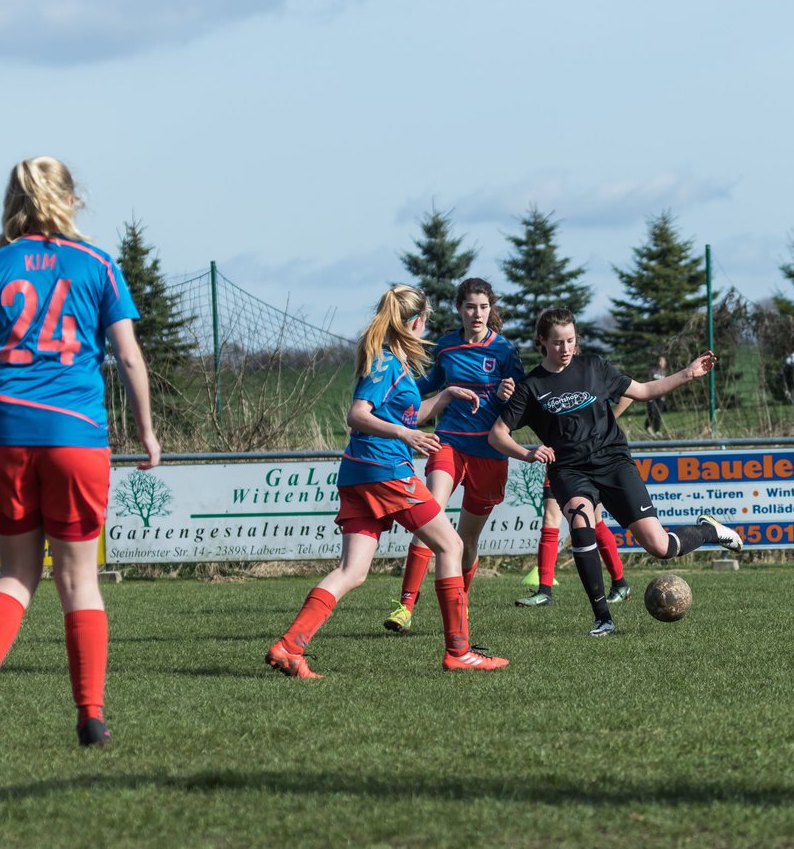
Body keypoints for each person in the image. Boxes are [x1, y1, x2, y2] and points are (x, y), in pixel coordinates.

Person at [0, 156, 161, 747]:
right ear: (71, 199)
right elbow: (130, 357)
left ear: (13, 201)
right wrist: (146, 430)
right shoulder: (97, 265)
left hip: (4, 435)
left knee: (15, 573)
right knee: (79, 581)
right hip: (74, 435)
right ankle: (90, 716)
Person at [266, 284, 509, 677]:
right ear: (415, 322)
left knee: (353, 571)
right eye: (424, 321)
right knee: (451, 545)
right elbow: (358, 414)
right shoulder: (385, 363)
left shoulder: (392, 361)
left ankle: (289, 647)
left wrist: (445, 396)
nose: (425, 328)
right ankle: (459, 652)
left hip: (358, 473)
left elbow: (406, 417)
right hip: (385, 472)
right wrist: (405, 436)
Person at [490, 308, 743, 637]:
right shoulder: (532, 387)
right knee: (581, 522)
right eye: (557, 342)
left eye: (571, 341)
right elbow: (496, 434)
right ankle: (603, 618)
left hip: (613, 462)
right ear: (542, 341)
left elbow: (644, 391)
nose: (566, 348)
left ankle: (708, 531)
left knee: (660, 547)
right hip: (569, 470)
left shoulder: (594, 366)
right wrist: (528, 452)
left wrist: (687, 373)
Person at [382, 277, 525, 634]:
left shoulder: (505, 351)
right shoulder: (446, 346)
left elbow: (522, 401)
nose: (477, 313)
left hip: (490, 452)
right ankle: (405, 606)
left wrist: (510, 393)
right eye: (470, 306)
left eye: (483, 307)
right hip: (450, 443)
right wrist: (393, 389)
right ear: (459, 309)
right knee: (430, 514)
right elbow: (431, 382)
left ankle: (460, 604)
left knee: (467, 540)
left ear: (491, 310)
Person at [516, 397, 634, 609]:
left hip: (588, 458)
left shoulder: (589, 371)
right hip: (559, 458)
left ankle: (620, 583)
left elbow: (629, 392)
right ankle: (544, 591)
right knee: (551, 518)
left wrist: (601, 426)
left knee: (595, 521)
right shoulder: (549, 379)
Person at [645, 356, 667, 437]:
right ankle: (648, 426)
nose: (662, 363)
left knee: (658, 414)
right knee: (651, 412)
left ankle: (657, 430)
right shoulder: (653, 371)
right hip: (652, 395)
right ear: (658, 362)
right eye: (661, 361)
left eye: (664, 361)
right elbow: (649, 383)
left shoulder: (664, 373)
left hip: (660, 397)